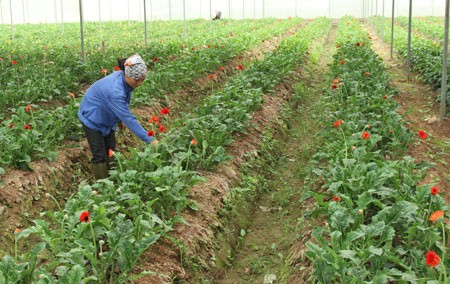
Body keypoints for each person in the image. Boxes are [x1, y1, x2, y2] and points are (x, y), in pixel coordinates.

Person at [78, 54, 155, 180]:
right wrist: (150, 140)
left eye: (143, 79)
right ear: (127, 74)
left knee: (110, 149)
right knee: (99, 154)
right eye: (137, 80)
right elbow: (129, 119)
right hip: (92, 117)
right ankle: (103, 187)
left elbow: (122, 109)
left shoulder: (124, 80)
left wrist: (118, 121)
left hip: (107, 116)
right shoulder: (115, 91)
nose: (140, 83)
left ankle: (113, 179)